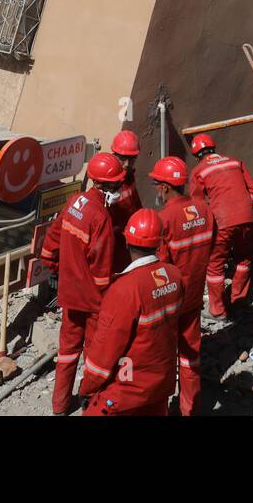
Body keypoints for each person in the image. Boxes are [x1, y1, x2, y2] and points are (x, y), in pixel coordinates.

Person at [39, 151, 123, 414]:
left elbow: (50, 243)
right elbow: (101, 272)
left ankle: (60, 404)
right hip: (92, 301)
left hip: (69, 294)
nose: (120, 187)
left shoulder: (74, 202)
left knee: (66, 351)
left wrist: (56, 270)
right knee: (95, 353)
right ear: (106, 185)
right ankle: (90, 398)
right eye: (117, 183)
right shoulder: (102, 219)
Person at [78, 209, 184, 416]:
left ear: (126, 242)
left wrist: (88, 387)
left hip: (127, 390)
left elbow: (104, 351)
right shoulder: (174, 276)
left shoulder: (124, 289)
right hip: (160, 384)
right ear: (159, 243)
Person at [150, 156, 214, 415]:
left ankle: (161, 409)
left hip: (169, 301)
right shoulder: (204, 209)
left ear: (165, 187)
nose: (156, 189)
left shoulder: (164, 218)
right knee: (190, 357)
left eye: (157, 184)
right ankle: (190, 409)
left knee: (161, 358)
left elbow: (159, 266)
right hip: (194, 296)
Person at [188, 133, 253, 318]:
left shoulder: (199, 171)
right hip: (247, 218)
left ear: (197, 154)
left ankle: (218, 310)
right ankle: (239, 300)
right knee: (244, 258)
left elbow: (197, 205)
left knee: (215, 265)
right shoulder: (235, 162)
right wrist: (247, 211)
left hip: (223, 222)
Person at [108, 130, 143, 271]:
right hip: (115, 243)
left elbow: (136, 204)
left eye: (132, 158)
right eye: (123, 158)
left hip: (131, 240)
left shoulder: (129, 177)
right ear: (114, 155)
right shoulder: (107, 181)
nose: (127, 164)